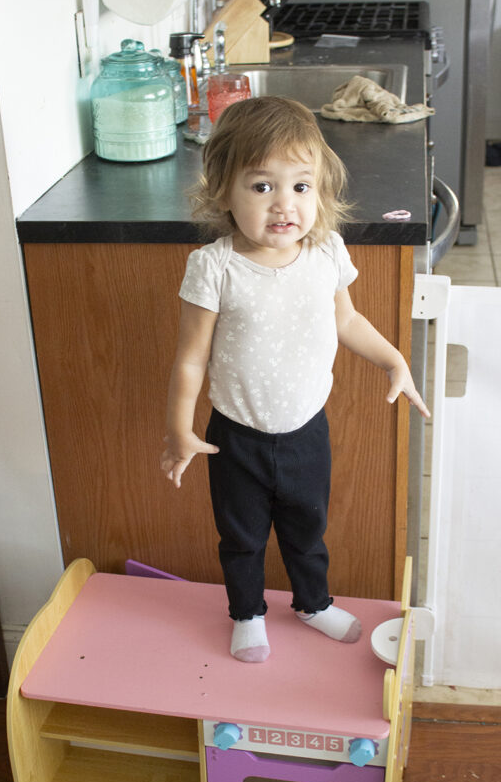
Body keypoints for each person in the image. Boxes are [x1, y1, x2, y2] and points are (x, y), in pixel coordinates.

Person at [160, 97, 429, 663]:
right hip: (235, 436)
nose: (284, 203)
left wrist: (393, 361)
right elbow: (190, 359)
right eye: (262, 187)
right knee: (243, 538)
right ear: (222, 191)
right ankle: (247, 612)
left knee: (308, 530)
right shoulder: (215, 266)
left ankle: (312, 603)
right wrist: (179, 431)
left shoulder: (326, 250)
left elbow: (347, 320)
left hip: (307, 431)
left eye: (301, 187)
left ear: (320, 191)